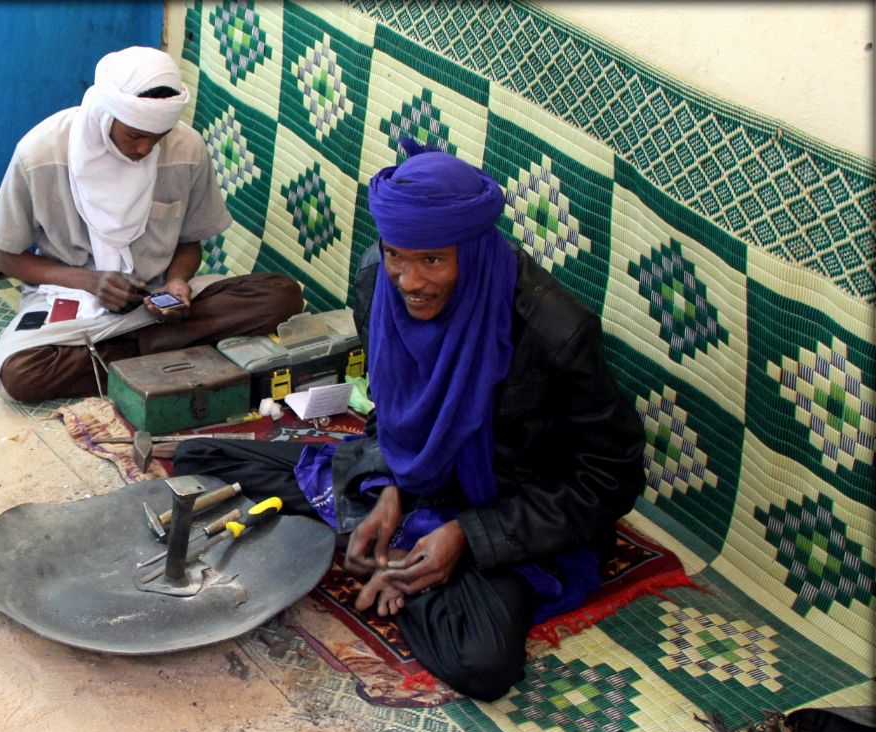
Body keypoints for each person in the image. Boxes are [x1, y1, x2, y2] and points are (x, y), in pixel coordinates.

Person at [173, 145, 646, 701]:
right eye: (398, 254)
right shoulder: (379, 283)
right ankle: (401, 548)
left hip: (509, 502)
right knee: (201, 458)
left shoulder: (554, 330)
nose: (410, 280)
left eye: (433, 261)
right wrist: (393, 487)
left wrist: (468, 534)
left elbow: (610, 478)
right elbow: (392, 407)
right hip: (416, 473)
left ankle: (408, 566)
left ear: (470, 253)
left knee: (482, 664)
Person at [0, 46, 303, 402]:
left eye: (158, 136)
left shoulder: (187, 148)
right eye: (135, 135)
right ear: (107, 115)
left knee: (282, 295)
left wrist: (177, 281)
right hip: (75, 299)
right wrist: (92, 281)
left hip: (156, 304)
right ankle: (176, 351)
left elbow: (189, 242)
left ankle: (126, 355)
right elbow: (7, 257)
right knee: (20, 375)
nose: (146, 149)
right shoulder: (40, 154)